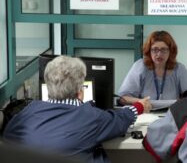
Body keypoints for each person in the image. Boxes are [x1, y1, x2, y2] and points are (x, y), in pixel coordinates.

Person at [3, 55, 151, 163]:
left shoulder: (26, 114)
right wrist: (139, 106)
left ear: (48, 88)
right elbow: (121, 119)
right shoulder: (91, 117)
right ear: (80, 90)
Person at [118, 30, 187, 110]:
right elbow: (123, 98)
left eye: (163, 50)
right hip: (145, 114)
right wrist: (141, 102)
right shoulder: (140, 66)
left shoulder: (179, 69)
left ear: (171, 51)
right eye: (155, 50)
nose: (159, 54)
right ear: (148, 50)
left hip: (172, 115)